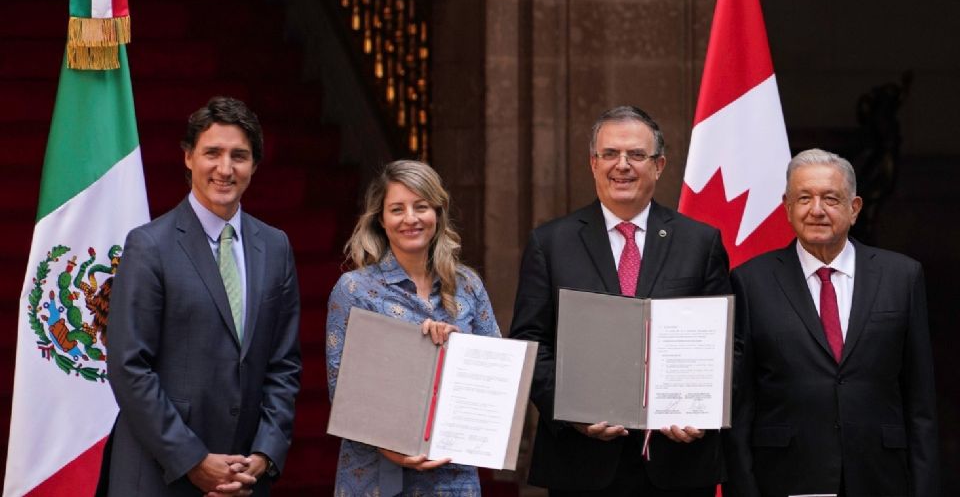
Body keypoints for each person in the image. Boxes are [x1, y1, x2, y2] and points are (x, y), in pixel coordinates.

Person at [509, 105, 731, 496]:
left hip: (676, 462)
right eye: (610, 154)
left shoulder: (701, 242)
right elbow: (529, 343)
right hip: (581, 462)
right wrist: (571, 412)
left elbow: (730, 344)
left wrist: (701, 413)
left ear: (659, 165)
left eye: (636, 155)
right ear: (593, 163)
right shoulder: (551, 243)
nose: (622, 166)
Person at [101, 96, 302, 496]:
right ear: (189, 157)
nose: (225, 169)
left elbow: (284, 365)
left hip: (243, 477)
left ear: (254, 166)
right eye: (213, 153)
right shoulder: (149, 246)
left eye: (239, 156)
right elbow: (129, 368)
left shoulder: (275, 246)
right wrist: (193, 460)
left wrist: (264, 453)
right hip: (159, 474)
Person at [724, 148, 939, 497]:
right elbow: (741, 402)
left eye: (830, 198)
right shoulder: (750, 281)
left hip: (880, 476)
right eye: (804, 198)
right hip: (785, 477)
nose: (817, 210)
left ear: (854, 209)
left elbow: (920, 403)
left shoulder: (902, 276)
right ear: (787, 207)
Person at [325, 159, 501, 496]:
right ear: (381, 218)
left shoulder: (468, 286)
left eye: (421, 207)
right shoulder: (354, 290)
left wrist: (461, 349)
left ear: (437, 212)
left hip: (452, 473)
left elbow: (493, 380)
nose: (410, 219)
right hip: (376, 473)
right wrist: (391, 447)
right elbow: (342, 386)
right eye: (397, 209)